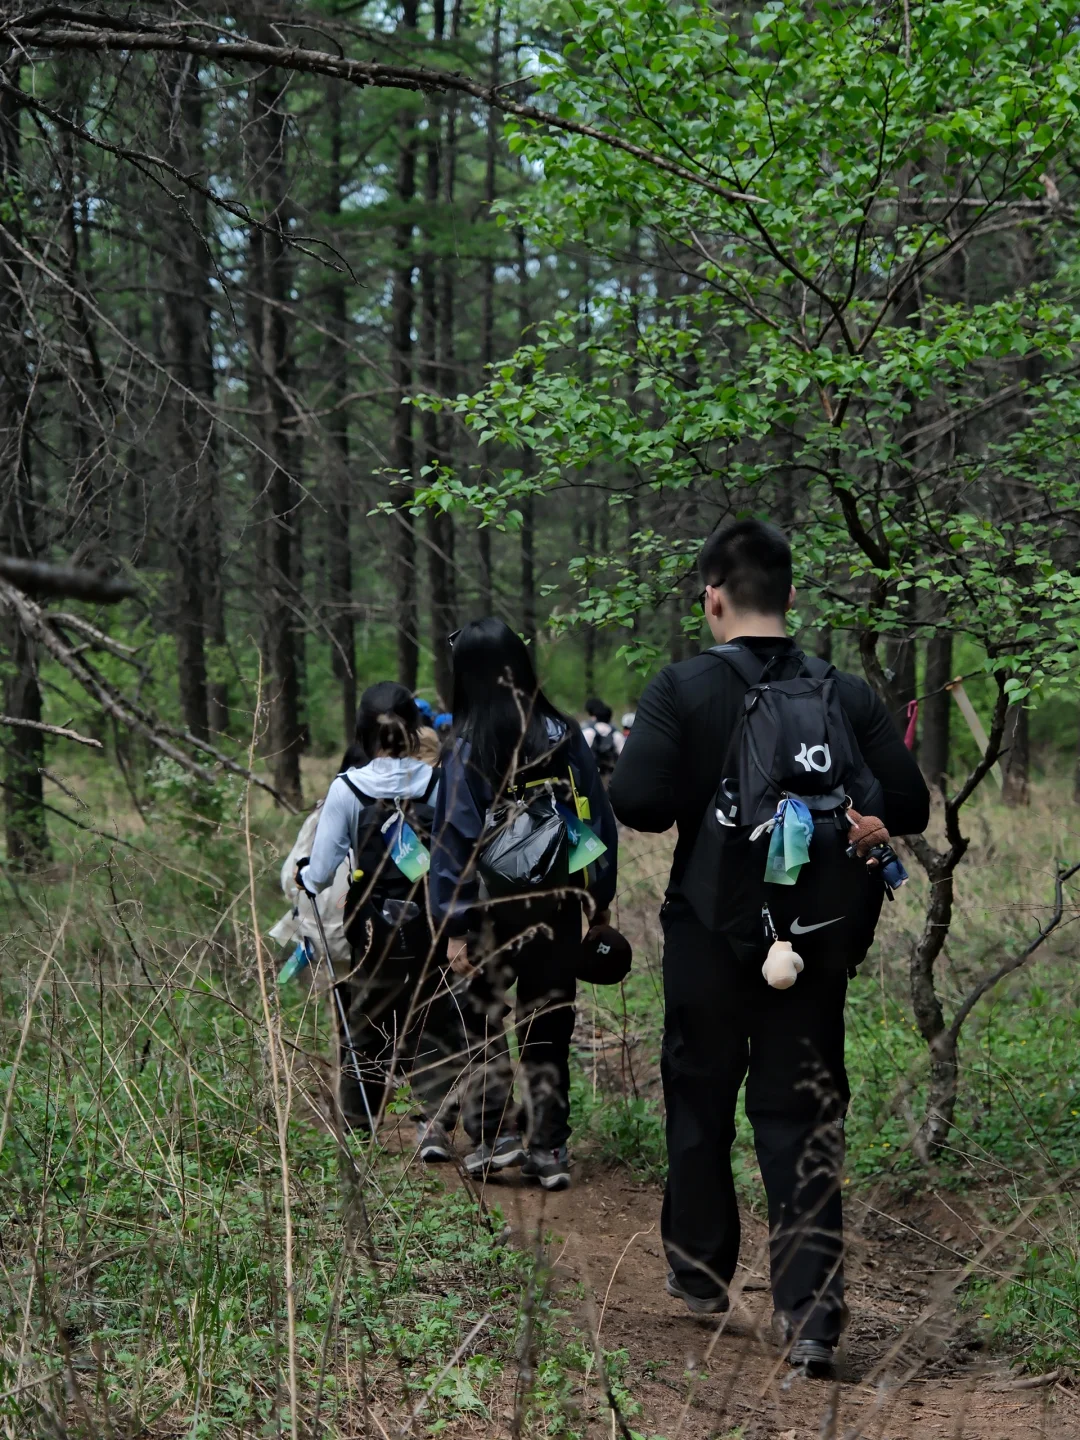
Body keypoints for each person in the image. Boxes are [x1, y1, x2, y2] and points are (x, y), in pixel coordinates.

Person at [609, 520, 929, 1373]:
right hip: (818, 942)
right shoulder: (846, 693)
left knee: (700, 1095)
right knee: (803, 1114)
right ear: (791, 597)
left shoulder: (682, 689)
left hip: (711, 934)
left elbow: (636, 803)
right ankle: (814, 1317)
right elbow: (910, 803)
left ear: (711, 597)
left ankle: (701, 1272)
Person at [430, 618, 618, 1191]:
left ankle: (493, 1138)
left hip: (488, 911)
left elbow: (453, 838)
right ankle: (549, 1149)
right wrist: (598, 898)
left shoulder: (467, 744)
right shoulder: (564, 733)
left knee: (482, 1019)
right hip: (558, 905)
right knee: (549, 1023)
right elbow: (595, 817)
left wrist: (453, 925)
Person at [298, 682, 467, 1162]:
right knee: (435, 1018)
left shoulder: (347, 788)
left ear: (363, 730)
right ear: (416, 728)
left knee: (367, 1023)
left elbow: (323, 868)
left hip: (371, 927)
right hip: (433, 921)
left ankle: (356, 1130)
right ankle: (434, 1125)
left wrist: (302, 876)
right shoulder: (440, 783)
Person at [581, 698, 624, 785]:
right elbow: (623, 756)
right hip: (612, 776)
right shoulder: (616, 734)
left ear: (595, 716)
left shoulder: (588, 731)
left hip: (592, 775)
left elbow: (581, 754)